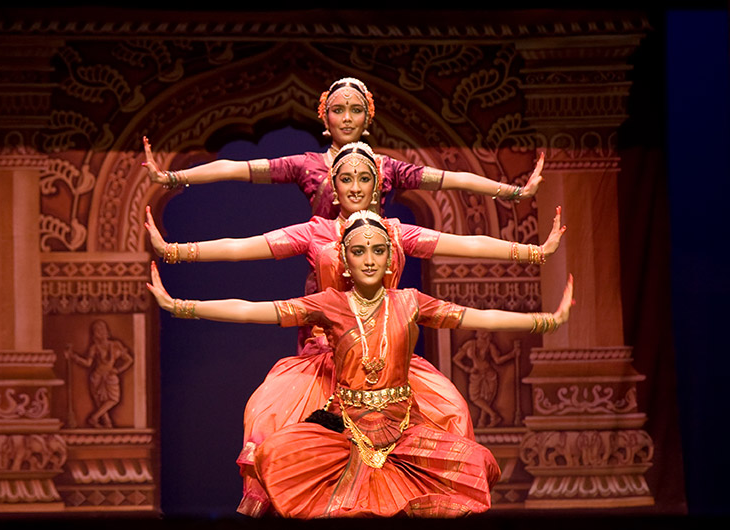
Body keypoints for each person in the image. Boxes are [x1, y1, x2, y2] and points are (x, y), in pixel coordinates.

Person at [145, 141, 565, 515]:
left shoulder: (400, 247)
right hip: (326, 353)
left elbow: (469, 248)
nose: (356, 186)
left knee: (453, 412)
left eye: (366, 178)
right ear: (333, 183)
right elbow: (246, 261)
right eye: (346, 178)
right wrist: (178, 259)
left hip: (390, 353)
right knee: (269, 417)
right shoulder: (317, 236)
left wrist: (531, 252)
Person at [142, 77, 545, 220]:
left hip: (378, 269)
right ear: (325, 117)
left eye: (355, 110)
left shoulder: (388, 168)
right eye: (338, 110)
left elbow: (451, 179)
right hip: (326, 271)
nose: (347, 118)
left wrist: (511, 191)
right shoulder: (306, 165)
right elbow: (236, 168)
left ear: (367, 119)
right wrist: (173, 177)